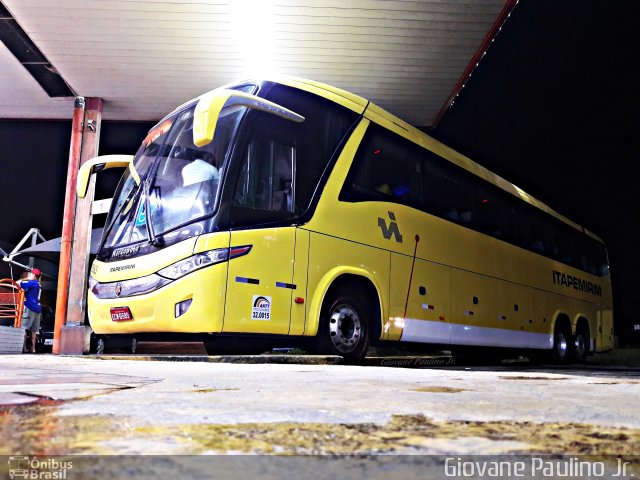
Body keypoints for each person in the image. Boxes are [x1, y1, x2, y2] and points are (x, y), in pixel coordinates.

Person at [20, 268, 42, 353]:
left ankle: (24, 348)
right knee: (34, 330)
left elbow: (20, 284)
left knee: (24, 328)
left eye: (30, 274)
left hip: (30, 307)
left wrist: (25, 279)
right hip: (38, 308)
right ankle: (33, 349)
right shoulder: (39, 284)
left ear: (34, 275)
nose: (29, 275)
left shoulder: (32, 283)